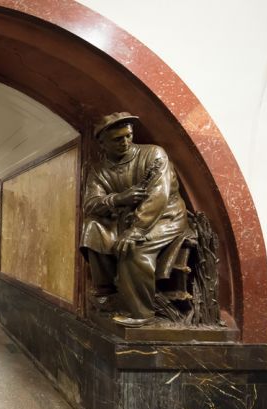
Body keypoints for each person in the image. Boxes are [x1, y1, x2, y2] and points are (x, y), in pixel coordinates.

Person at [80, 112, 191, 327]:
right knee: (91, 228)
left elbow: (158, 196)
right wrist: (119, 199)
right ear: (102, 144)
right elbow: (90, 204)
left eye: (128, 136)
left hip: (164, 217)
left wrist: (136, 231)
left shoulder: (154, 155)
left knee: (135, 249)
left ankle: (142, 312)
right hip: (124, 218)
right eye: (117, 139)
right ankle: (108, 293)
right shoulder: (99, 170)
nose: (125, 142)